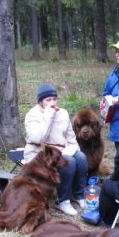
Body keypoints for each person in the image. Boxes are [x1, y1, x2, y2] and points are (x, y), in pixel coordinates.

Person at [23, 83, 88, 216]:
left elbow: (71, 138)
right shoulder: (32, 115)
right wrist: (48, 116)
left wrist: (72, 149)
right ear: (41, 102)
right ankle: (62, 200)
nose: (52, 102)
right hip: (39, 153)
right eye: (48, 100)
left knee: (81, 158)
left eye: (54, 99)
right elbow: (37, 138)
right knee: (69, 161)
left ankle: (79, 194)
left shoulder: (63, 113)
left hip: (61, 151)